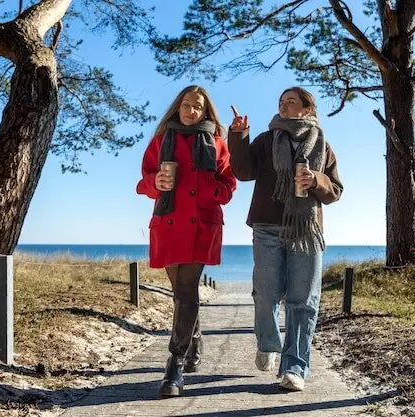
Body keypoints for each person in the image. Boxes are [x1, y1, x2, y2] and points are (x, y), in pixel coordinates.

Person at [228, 87, 343, 391]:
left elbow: (335, 191)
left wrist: (316, 180)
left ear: (307, 109)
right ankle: (268, 342)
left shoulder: (323, 145)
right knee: (266, 294)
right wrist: (238, 136)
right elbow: (243, 171)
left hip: (306, 232)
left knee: (303, 301)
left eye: (291, 101)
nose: (283, 105)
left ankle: (294, 367)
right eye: (281, 102)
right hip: (266, 227)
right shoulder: (267, 140)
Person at [137, 85, 236, 398]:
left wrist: (210, 187)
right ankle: (194, 339)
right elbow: (143, 182)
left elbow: (229, 185)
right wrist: (156, 182)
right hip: (168, 224)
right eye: (186, 105)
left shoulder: (217, 142)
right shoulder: (160, 141)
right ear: (177, 108)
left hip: (202, 225)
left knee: (187, 290)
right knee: (181, 294)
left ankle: (175, 363)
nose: (191, 111)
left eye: (198, 106)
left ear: (206, 111)